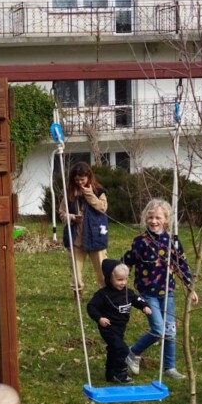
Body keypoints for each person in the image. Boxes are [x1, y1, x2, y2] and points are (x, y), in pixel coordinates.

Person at [121, 198, 200, 381]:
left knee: (170, 330)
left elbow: (182, 265)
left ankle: (169, 367)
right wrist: (117, 276)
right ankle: (132, 353)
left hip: (167, 293)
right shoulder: (141, 241)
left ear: (166, 219)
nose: (154, 221)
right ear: (145, 219)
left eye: (158, 217)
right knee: (158, 329)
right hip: (148, 293)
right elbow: (127, 260)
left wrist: (191, 288)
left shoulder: (173, 241)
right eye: (150, 217)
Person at [86, 259, 152, 384]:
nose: (123, 283)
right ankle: (120, 372)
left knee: (113, 350)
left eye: (125, 279)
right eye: (119, 280)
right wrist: (99, 318)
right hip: (108, 328)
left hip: (120, 327)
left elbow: (137, 299)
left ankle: (109, 374)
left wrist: (144, 306)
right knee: (122, 349)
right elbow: (91, 306)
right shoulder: (103, 294)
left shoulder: (128, 293)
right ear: (110, 278)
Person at [61, 161, 109, 294]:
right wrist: (71, 217)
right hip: (76, 238)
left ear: (88, 177)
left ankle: (106, 292)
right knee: (75, 270)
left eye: (82, 179)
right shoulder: (69, 193)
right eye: (77, 180)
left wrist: (89, 194)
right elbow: (62, 213)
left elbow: (102, 208)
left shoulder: (99, 191)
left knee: (101, 268)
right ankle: (77, 292)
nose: (80, 183)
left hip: (95, 236)